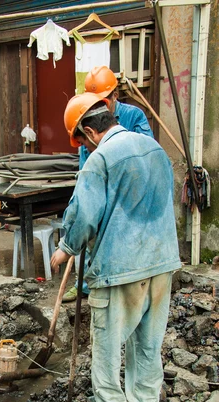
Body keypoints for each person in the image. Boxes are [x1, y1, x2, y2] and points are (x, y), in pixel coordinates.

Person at [51, 92, 181, 402]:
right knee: (149, 340)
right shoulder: (154, 148)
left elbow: (84, 214)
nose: (86, 147)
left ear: (88, 132)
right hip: (162, 260)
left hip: (120, 266)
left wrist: (65, 247)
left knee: (108, 343)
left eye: (82, 140)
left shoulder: (101, 159)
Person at [62, 66, 154, 303]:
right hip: (98, 188)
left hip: (125, 195)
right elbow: (87, 165)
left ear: (114, 95)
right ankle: (84, 285)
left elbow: (145, 157)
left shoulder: (133, 117)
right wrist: (83, 200)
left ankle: (120, 288)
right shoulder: (88, 122)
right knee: (90, 238)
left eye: (102, 100)